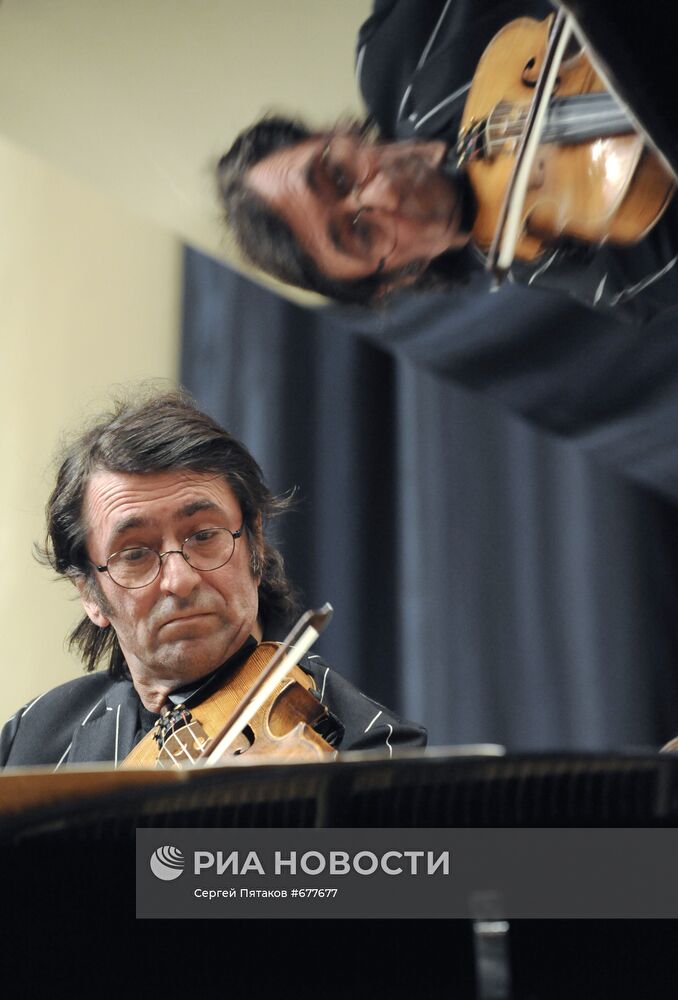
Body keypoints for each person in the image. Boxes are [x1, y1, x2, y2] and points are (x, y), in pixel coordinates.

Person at [0, 390, 425, 768]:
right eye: (135, 554)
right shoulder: (32, 744)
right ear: (90, 595)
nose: (179, 580)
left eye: (204, 536)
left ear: (255, 544)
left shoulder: (373, 749)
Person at [216, 0, 678, 324]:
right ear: (393, 279)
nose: (383, 193)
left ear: (334, 135)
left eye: (338, 174)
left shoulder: (394, 51)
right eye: (361, 232)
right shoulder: (572, 264)